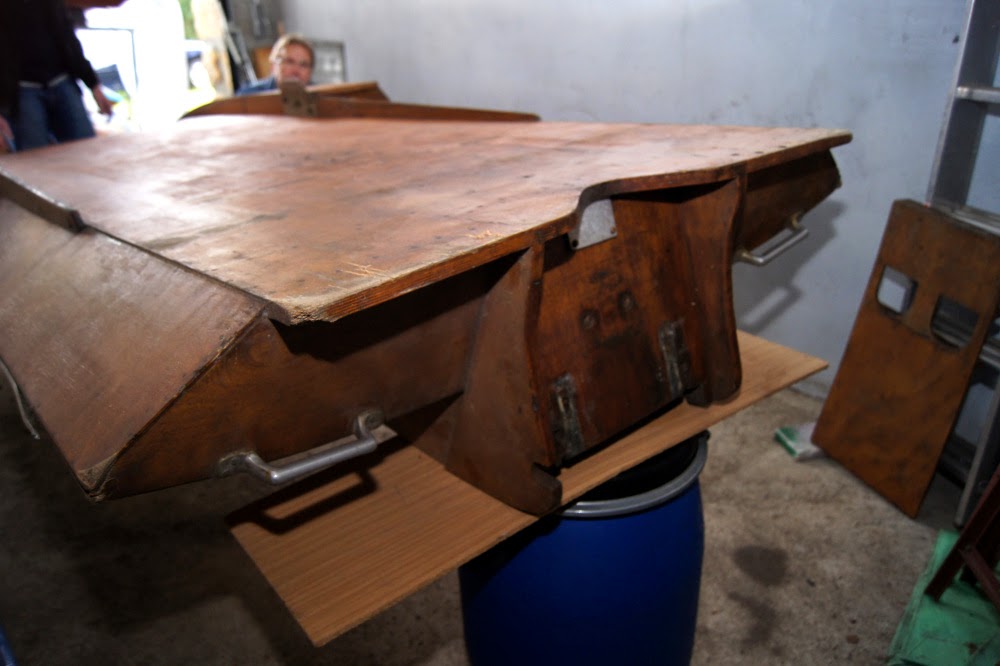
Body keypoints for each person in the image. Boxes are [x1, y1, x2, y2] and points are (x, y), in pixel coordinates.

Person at [0, 0, 114, 154]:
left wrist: (93, 84)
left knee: (87, 152)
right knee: (35, 160)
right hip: (22, 90)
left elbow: (67, 36)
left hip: (62, 80)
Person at [236, 33, 314, 96]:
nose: (296, 70)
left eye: (304, 65)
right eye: (289, 62)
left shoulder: (318, 97)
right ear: (273, 65)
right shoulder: (249, 95)